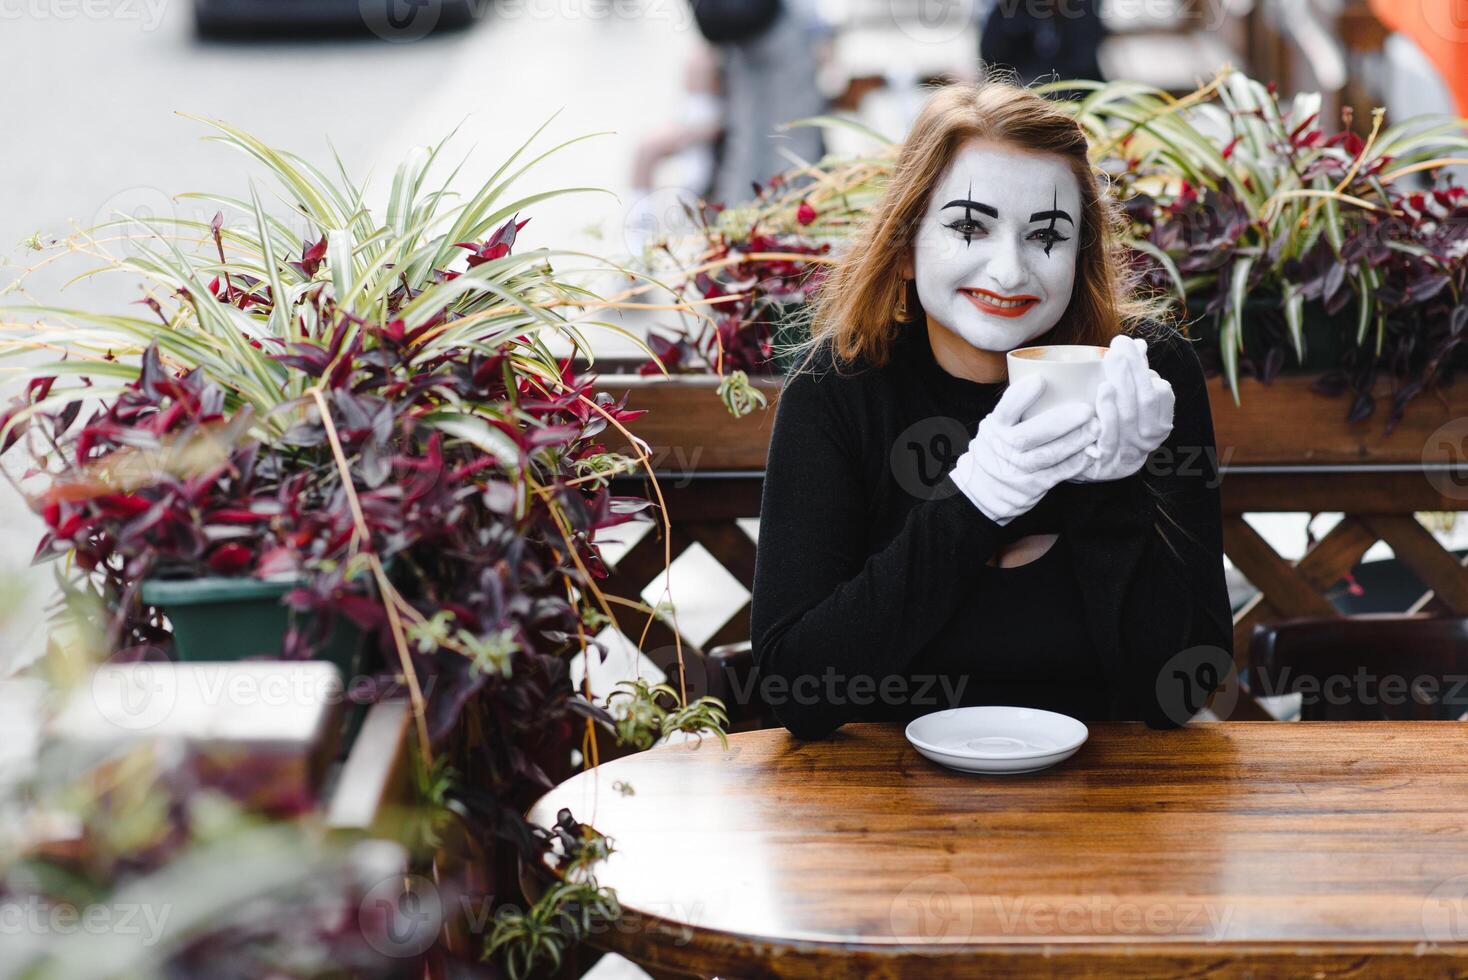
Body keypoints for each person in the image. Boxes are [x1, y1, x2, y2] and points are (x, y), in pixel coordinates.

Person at [749, 80, 1233, 739]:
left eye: (1047, 235)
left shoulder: (1142, 375)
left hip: (1111, 812)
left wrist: (1109, 490)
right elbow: (793, 691)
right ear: (904, 247)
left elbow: (1181, 690)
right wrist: (973, 501)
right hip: (884, 814)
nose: (1008, 272)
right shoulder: (840, 391)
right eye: (969, 226)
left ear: (1079, 255)